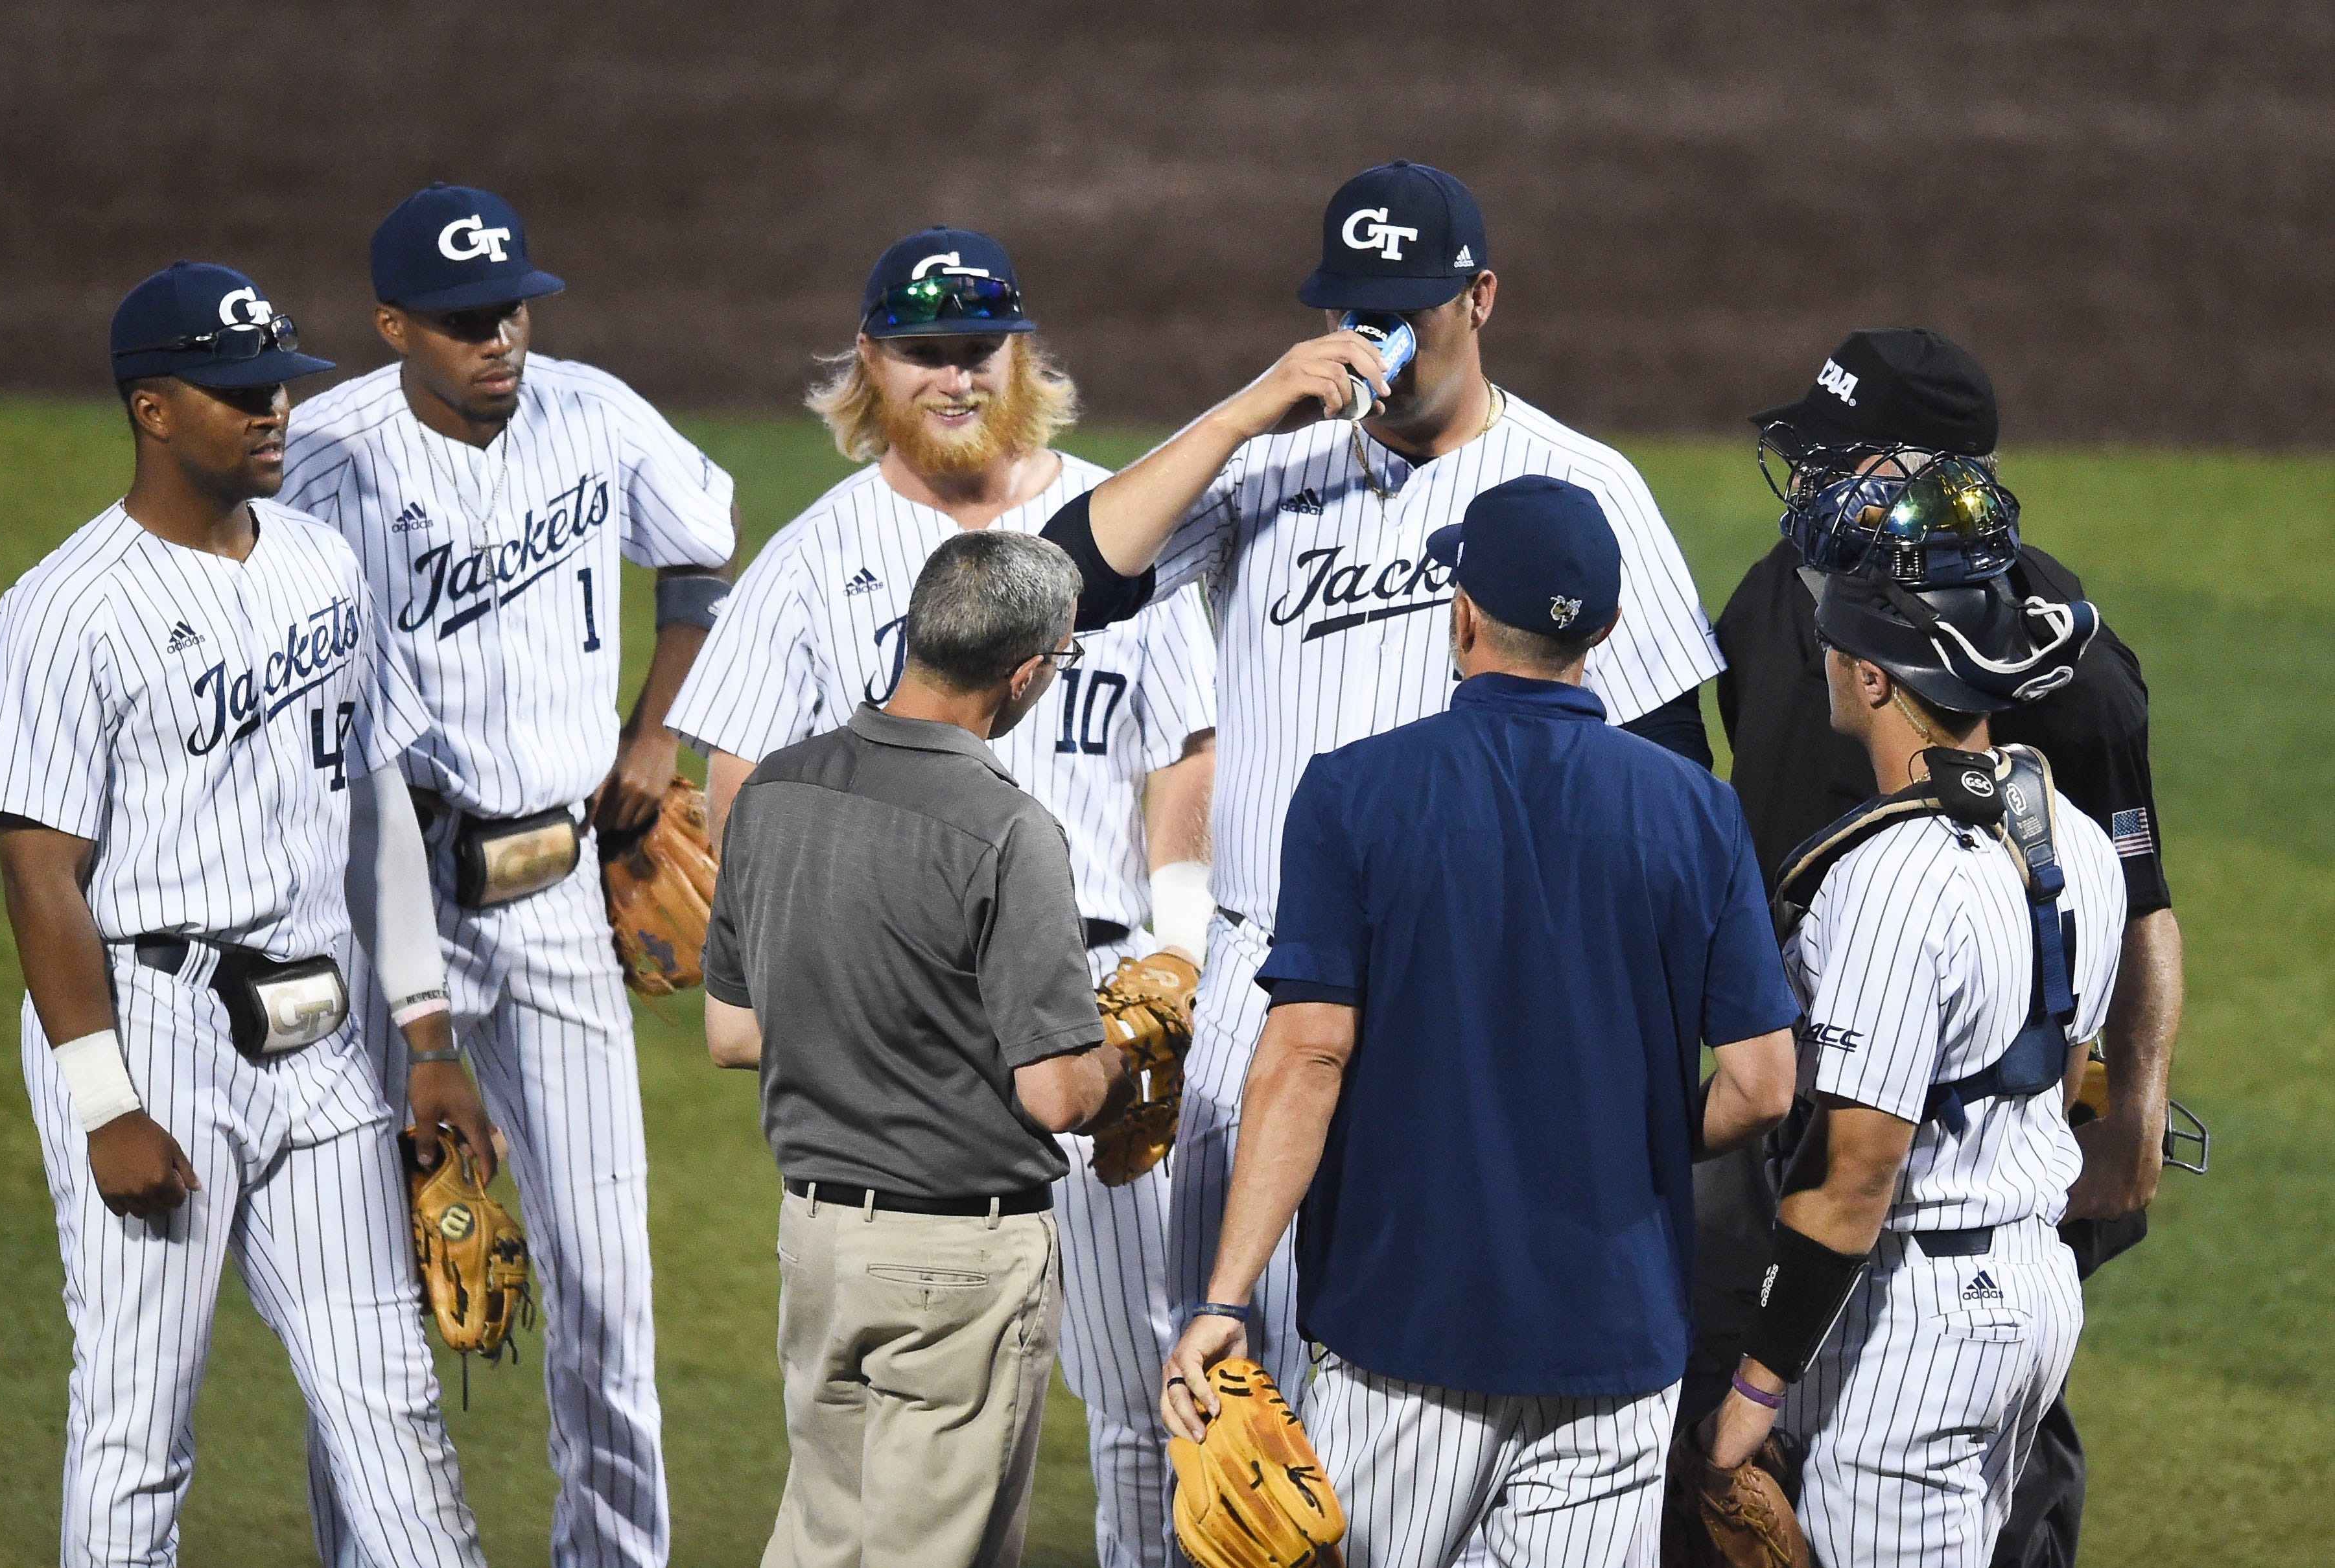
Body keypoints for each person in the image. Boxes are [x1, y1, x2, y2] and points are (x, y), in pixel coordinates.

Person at [1040, 159, 1728, 1420]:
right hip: (1251, 980)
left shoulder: (1579, 486)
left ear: (1482, 297)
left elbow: (1668, 780)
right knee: (1178, 1404)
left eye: (1407, 304)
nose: (1382, 337)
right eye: (1355, 308)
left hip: (1462, 995)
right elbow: (1062, 580)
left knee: (1372, 1388)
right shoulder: (1267, 471)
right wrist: (1246, 413)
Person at [664, 224, 1215, 1567]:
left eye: (979, 349)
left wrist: (1181, 948)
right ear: (869, 364)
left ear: (1020, 355)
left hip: (1109, 1008)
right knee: (931, 1399)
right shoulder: (813, 557)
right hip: (913, 1015)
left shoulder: (1118, 525)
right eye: (924, 354)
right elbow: (739, 792)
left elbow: (1184, 748)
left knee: (1153, 1376)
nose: (955, 378)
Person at [1156, 476, 1798, 1567]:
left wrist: (1224, 1298)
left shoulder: (1355, 793)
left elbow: (1308, 1055)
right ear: (1603, 629)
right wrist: (1643, 1135)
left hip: (1410, 1337)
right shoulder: (1694, 808)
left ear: (1462, 614)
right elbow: (1762, 1085)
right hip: (1617, 1346)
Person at [0, 263, 492, 1566]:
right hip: (151, 1031)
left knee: (392, 1402)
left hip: (322, 1038)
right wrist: (105, 1102)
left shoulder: (323, 563)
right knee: (137, 1429)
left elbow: (376, 801)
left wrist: (428, 1035)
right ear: (152, 409)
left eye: (277, 385)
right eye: (236, 394)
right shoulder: (64, 609)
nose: (273, 410)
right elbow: (42, 872)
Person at [278, 184, 740, 1566]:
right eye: (466, 321)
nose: (501, 339)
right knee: (369, 1294)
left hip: (552, 904)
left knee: (607, 1292)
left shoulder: (594, 411)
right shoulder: (322, 458)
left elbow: (705, 552)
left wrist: (657, 730)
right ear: (391, 327)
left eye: (513, 310)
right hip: (372, 896)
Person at [1699, 328, 2185, 1564]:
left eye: (1841, 459)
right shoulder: (1777, 595)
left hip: (1946, 1162)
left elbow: (2143, 898)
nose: (1809, 482)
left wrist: (2136, 1106)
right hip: (1803, 1110)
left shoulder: (2065, 672)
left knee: (1969, 1475)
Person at [701, 530, 1134, 1568]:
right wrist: (1124, 1053)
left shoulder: (776, 790)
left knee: (818, 1545)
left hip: (817, 1250)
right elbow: (1062, 1095)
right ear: (1026, 675)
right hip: (956, 1268)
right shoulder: (1008, 830)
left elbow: (732, 1033)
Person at [1693, 567, 2125, 1567]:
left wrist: (1751, 1396)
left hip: (1916, 1323)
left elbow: (1854, 1174)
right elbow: (2064, 1083)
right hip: (2031, 1290)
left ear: (1875, 680)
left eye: (1830, 651)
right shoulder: (2081, 841)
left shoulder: (1888, 878)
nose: (1823, 668)